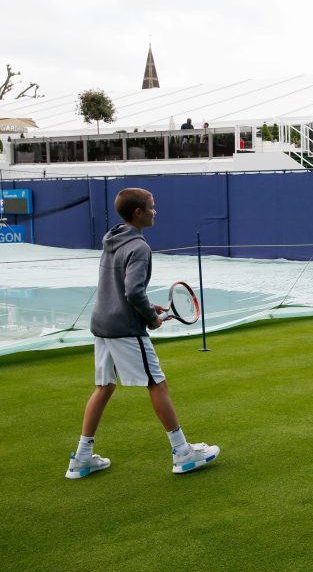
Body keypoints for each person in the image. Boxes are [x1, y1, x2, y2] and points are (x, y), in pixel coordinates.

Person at [65, 188, 220, 479]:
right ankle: (183, 453)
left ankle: (81, 459)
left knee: (104, 387)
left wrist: (149, 306)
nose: (155, 211)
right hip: (124, 329)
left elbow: (120, 289)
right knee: (157, 384)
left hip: (102, 325)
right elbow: (132, 291)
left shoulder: (112, 239)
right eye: (152, 207)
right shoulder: (139, 248)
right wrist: (151, 318)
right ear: (138, 213)